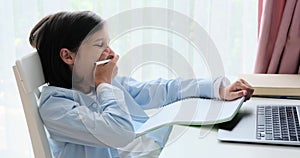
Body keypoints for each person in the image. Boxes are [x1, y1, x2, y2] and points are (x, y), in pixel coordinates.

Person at [29, 11, 254, 158]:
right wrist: (104, 85)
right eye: (100, 45)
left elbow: (159, 90)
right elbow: (119, 133)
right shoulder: (56, 108)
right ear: (68, 57)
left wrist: (217, 89)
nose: (111, 53)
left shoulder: (96, 86)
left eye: (108, 44)